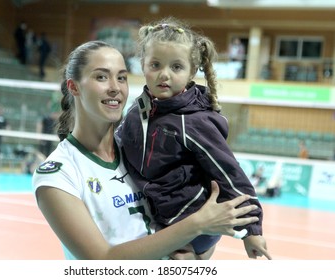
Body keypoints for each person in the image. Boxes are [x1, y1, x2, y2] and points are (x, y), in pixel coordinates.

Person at [32, 40, 261, 260]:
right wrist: (196, 225)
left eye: (121, 78)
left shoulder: (144, 150)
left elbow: (199, 222)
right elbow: (101, 261)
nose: (115, 88)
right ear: (73, 86)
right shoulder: (58, 174)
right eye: (101, 77)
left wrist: (195, 253)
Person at [116, 17, 271, 259]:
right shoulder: (137, 110)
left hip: (193, 220)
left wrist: (252, 230)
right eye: (155, 65)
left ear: (191, 73)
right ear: (142, 64)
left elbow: (230, 174)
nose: (163, 75)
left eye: (176, 67)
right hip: (162, 215)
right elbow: (116, 144)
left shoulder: (194, 121)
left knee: (181, 261)